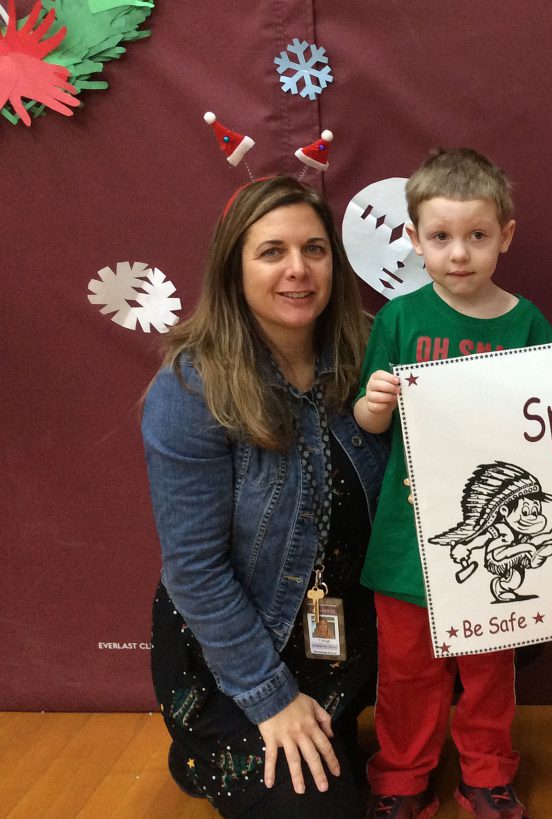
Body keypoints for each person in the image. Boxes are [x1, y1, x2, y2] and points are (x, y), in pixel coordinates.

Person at [141, 175, 388, 818]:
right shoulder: (191, 388)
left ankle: (334, 716)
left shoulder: (372, 350)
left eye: (314, 249)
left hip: (342, 633)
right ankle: (213, 740)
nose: (298, 270)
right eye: (272, 251)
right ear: (234, 266)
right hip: (242, 650)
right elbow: (193, 569)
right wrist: (268, 696)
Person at [354, 148, 552, 818]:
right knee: (408, 669)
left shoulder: (526, 323)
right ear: (414, 240)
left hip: (495, 540)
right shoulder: (399, 320)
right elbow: (365, 420)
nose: (459, 254)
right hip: (407, 539)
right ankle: (402, 775)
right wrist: (377, 402)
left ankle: (487, 773)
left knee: (488, 669)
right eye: (440, 238)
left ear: (506, 235)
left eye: (476, 236)